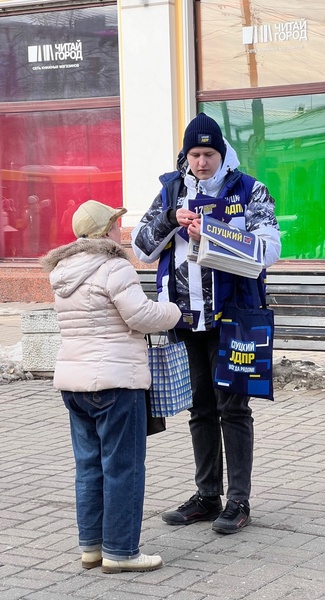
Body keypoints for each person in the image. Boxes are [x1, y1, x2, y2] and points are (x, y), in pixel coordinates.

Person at [132, 113, 281, 534]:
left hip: (235, 316)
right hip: (184, 317)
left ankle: (239, 501)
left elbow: (268, 250)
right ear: (186, 155)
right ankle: (207, 495)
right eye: (195, 154)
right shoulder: (171, 190)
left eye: (209, 154)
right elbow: (142, 248)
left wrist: (210, 235)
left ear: (222, 153)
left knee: (233, 407)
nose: (201, 162)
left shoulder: (250, 190)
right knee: (200, 407)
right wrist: (170, 220)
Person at [40, 200, 181, 573]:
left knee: (88, 467)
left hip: (74, 383)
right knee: (123, 468)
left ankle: (92, 547)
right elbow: (141, 315)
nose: (121, 229)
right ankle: (121, 552)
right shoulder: (114, 266)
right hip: (116, 383)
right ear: (106, 231)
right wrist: (174, 311)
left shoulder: (63, 271)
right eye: (117, 223)